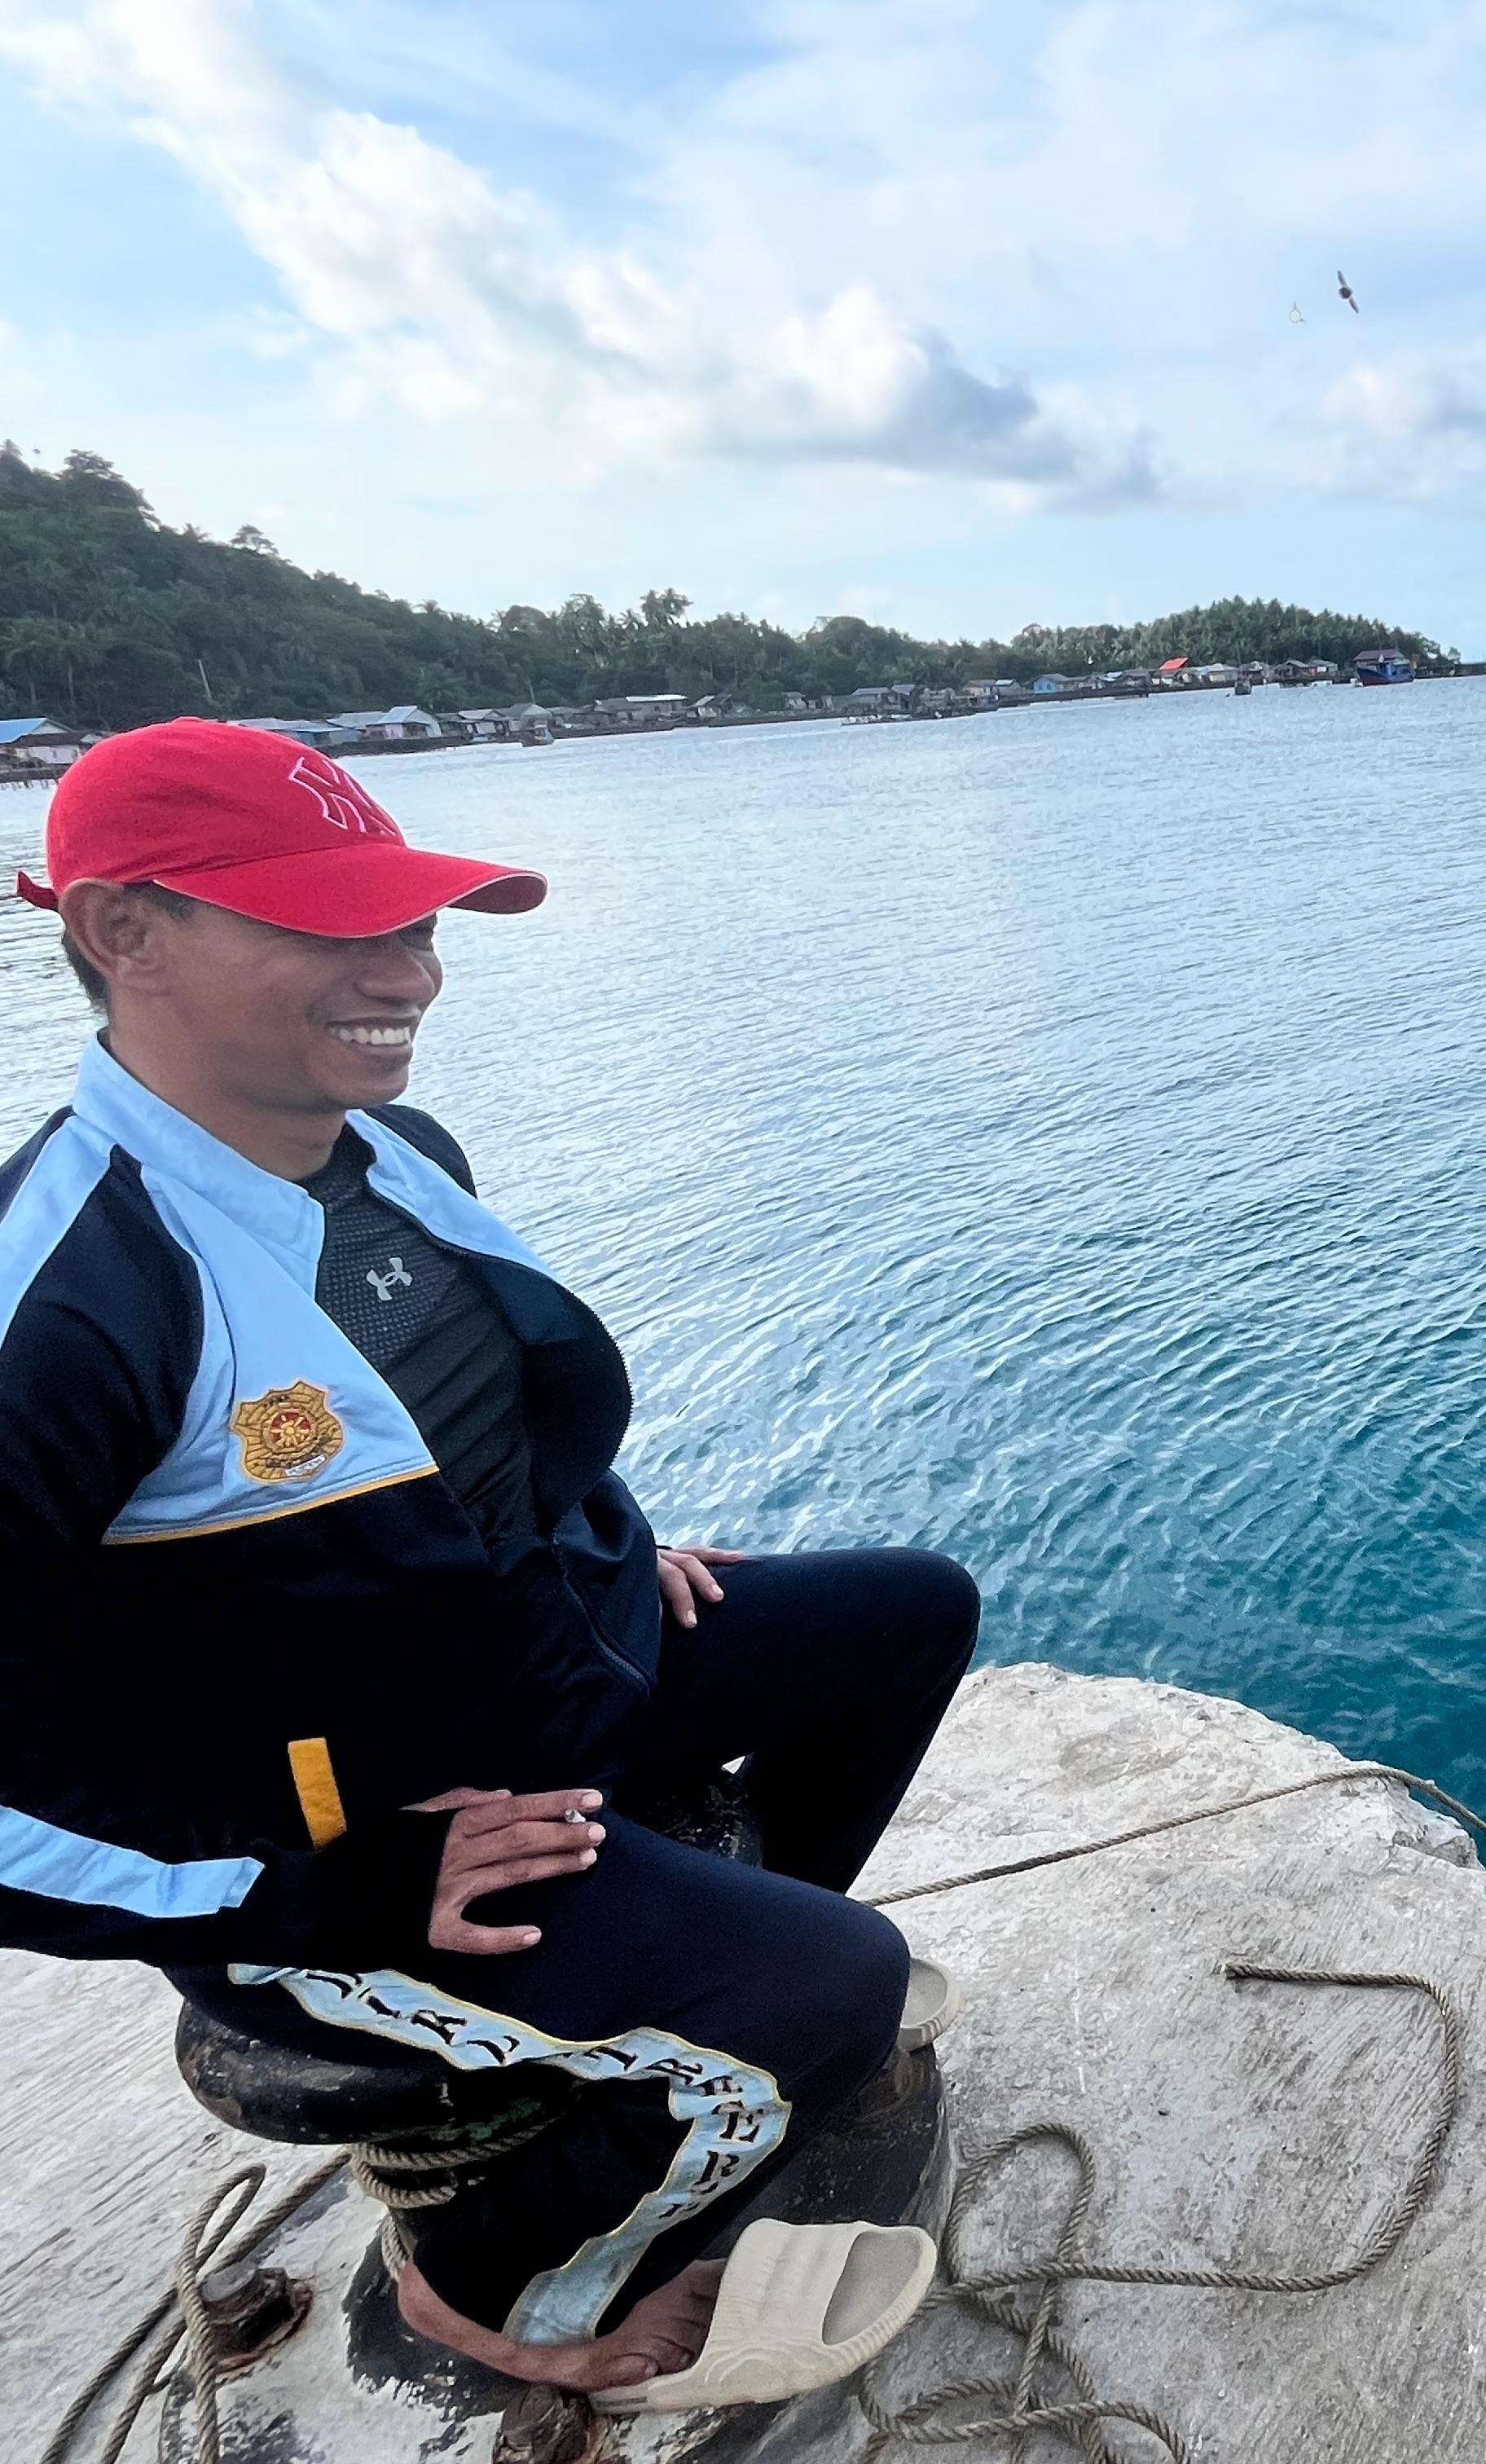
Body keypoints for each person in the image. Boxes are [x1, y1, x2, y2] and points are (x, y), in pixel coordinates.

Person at [0, 721, 976, 2403]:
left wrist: (610, 1546)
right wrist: (339, 1885)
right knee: (846, 1987)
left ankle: (693, 2013)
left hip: (531, 1679)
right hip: (322, 1844)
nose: (411, 974)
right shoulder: (69, 1305)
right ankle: (494, 2285)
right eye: (331, 924)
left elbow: (460, 1432)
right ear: (119, 932)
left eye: (418, 923)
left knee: (912, 1615)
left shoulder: (390, 1156)